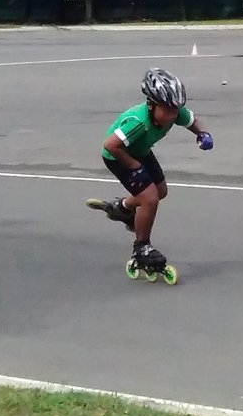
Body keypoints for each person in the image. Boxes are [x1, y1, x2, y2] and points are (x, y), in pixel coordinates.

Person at [85, 68, 212, 283]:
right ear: (151, 104)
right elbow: (111, 145)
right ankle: (141, 247)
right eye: (167, 110)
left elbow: (191, 120)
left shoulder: (173, 112)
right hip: (119, 156)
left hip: (140, 151)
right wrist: (134, 166)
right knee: (149, 198)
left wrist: (202, 134)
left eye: (175, 110)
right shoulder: (138, 123)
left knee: (161, 191)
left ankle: (122, 208)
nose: (172, 116)